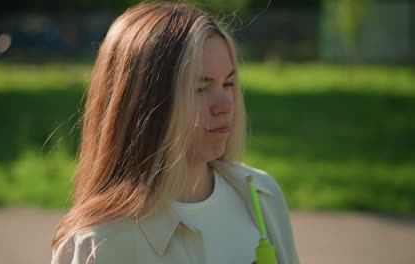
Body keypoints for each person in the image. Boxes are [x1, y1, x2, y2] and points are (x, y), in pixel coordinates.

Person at [51, 1, 300, 263]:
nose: (226, 105)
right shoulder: (98, 244)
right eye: (200, 88)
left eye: (228, 83)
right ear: (143, 104)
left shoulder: (262, 195)